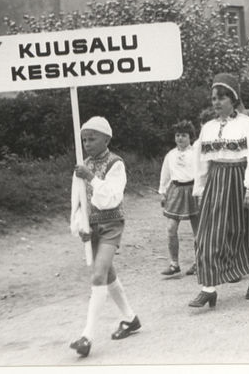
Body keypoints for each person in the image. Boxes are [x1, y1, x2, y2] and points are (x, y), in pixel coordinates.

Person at [189, 74, 249, 308]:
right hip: (217, 182)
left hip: (242, 178)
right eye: (214, 98)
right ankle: (208, 288)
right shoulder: (208, 128)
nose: (217, 103)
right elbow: (202, 162)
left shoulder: (247, 124)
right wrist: (200, 190)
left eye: (222, 98)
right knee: (210, 234)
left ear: (233, 99)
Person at [69, 117, 139, 358]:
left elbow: (112, 197)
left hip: (111, 223)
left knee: (98, 274)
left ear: (106, 139)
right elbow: (77, 202)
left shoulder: (115, 164)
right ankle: (130, 318)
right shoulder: (83, 166)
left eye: (92, 138)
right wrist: (80, 226)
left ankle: (87, 336)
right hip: (92, 226)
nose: (87, 143)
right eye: (84, 139)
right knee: (108, 274)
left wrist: (91, 177)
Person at [158, 120, 200, 277]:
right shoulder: (171, 155)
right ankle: (174, 263)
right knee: (171, 228)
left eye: (184, 135)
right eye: (177, 135)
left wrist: (201, 192)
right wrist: (163, 192)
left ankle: (198, 262)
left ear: (191, 137)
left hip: (193, 190)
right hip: (176, 191)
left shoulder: (196, 153)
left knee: (198, 230)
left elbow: (202, 173)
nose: (180, 138)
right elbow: (165, 175)